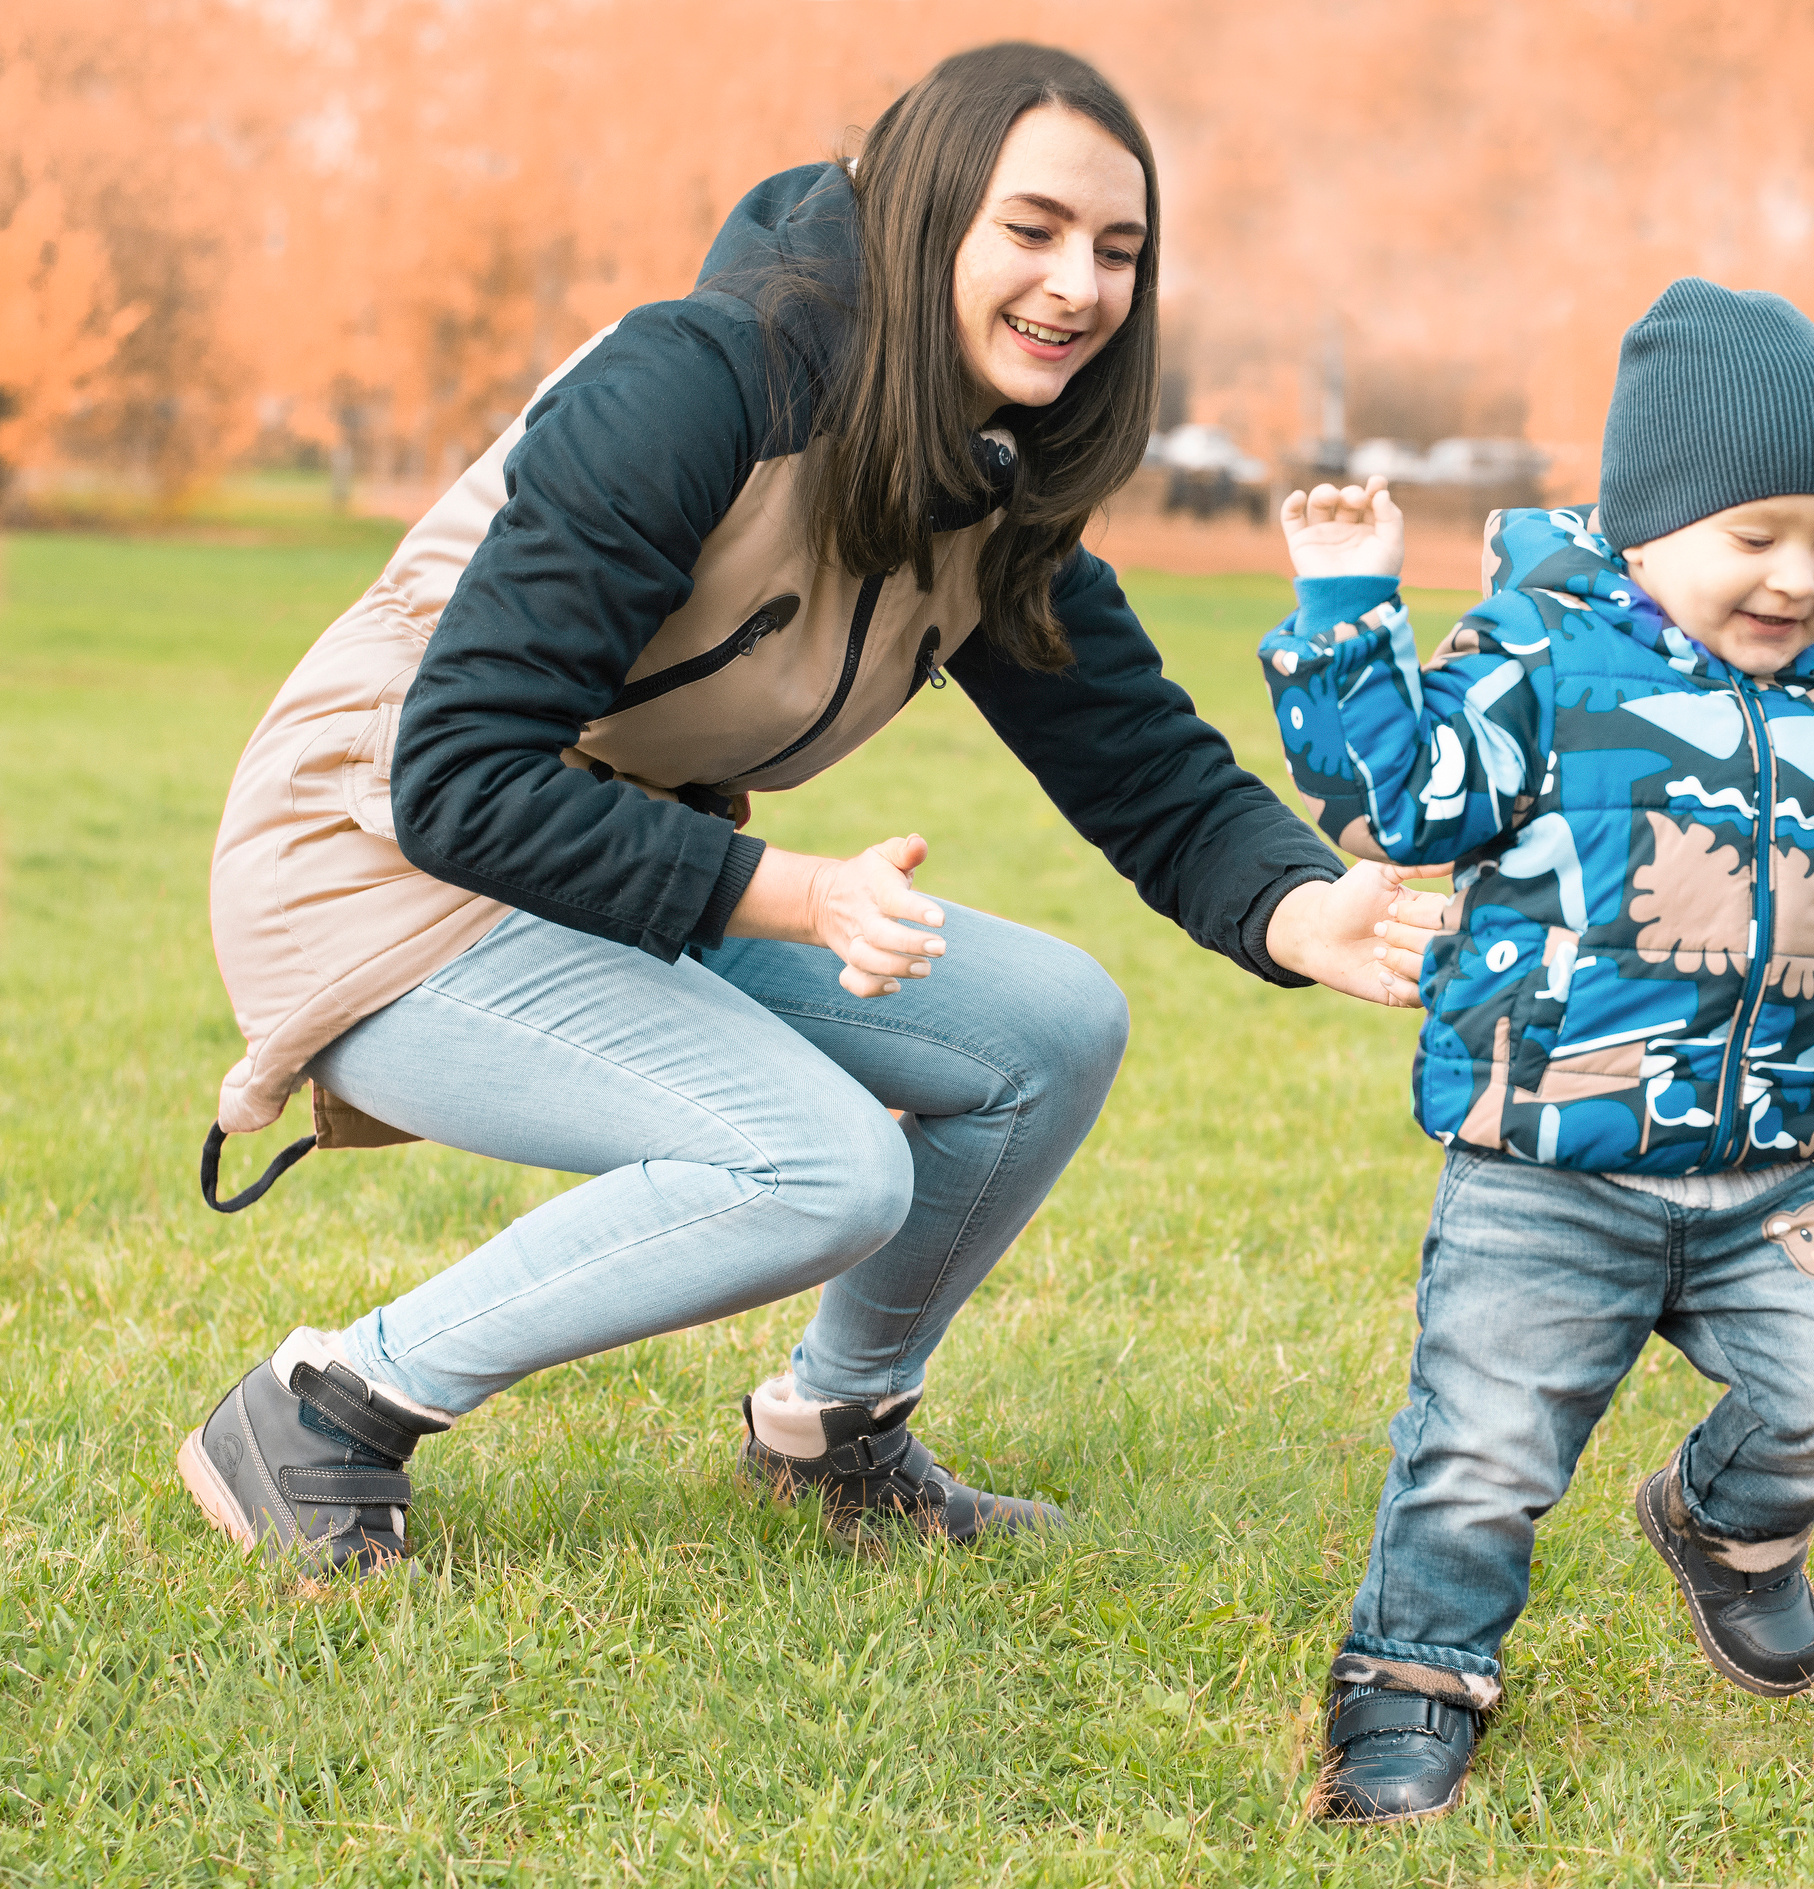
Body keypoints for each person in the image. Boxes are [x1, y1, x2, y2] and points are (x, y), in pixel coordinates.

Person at [181, 42, 1417, 1580]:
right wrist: (798, 894)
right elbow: (456, 780)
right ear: (918, 218)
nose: (1079, 284)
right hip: (373, 868)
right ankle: (331, 1400)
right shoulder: (695, 385)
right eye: (1029, 230)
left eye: (1119, 249)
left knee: (1049, 1025)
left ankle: (833, 1431)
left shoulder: (986, 480)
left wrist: (1310, 910)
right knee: (827, 1168)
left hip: (598, 859)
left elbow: (1148, 772)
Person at [1253, 280, 1814, 1821]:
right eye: (1754, 535)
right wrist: (1347, 608)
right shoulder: (1544, 660)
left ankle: (1726, 1526)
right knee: (1483, 1452)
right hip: (1546, 1170)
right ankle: (1412, 1685)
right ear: (1646, 527)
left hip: (1765, 1175)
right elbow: (1407, 798)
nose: (1796, 576)